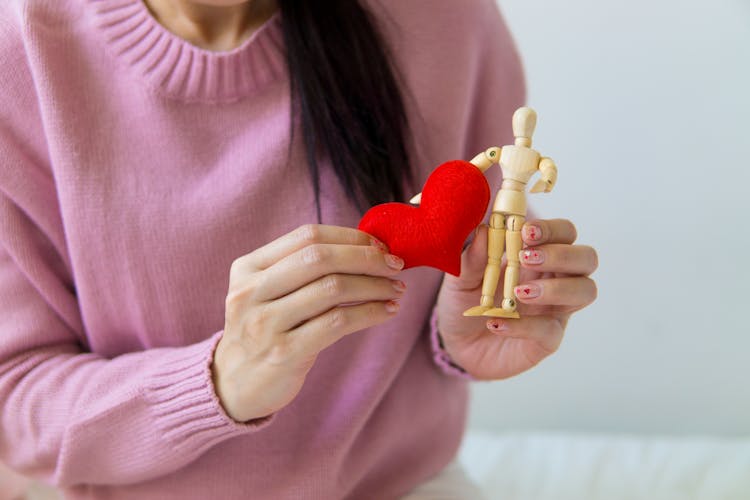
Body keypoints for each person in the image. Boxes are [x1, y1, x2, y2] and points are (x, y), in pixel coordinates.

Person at [0, 0, 598, 498]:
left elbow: (468, 249)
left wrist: (464, 334)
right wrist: (219, 381)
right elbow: (16, 404)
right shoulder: (20, 61)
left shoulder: (446, 20)